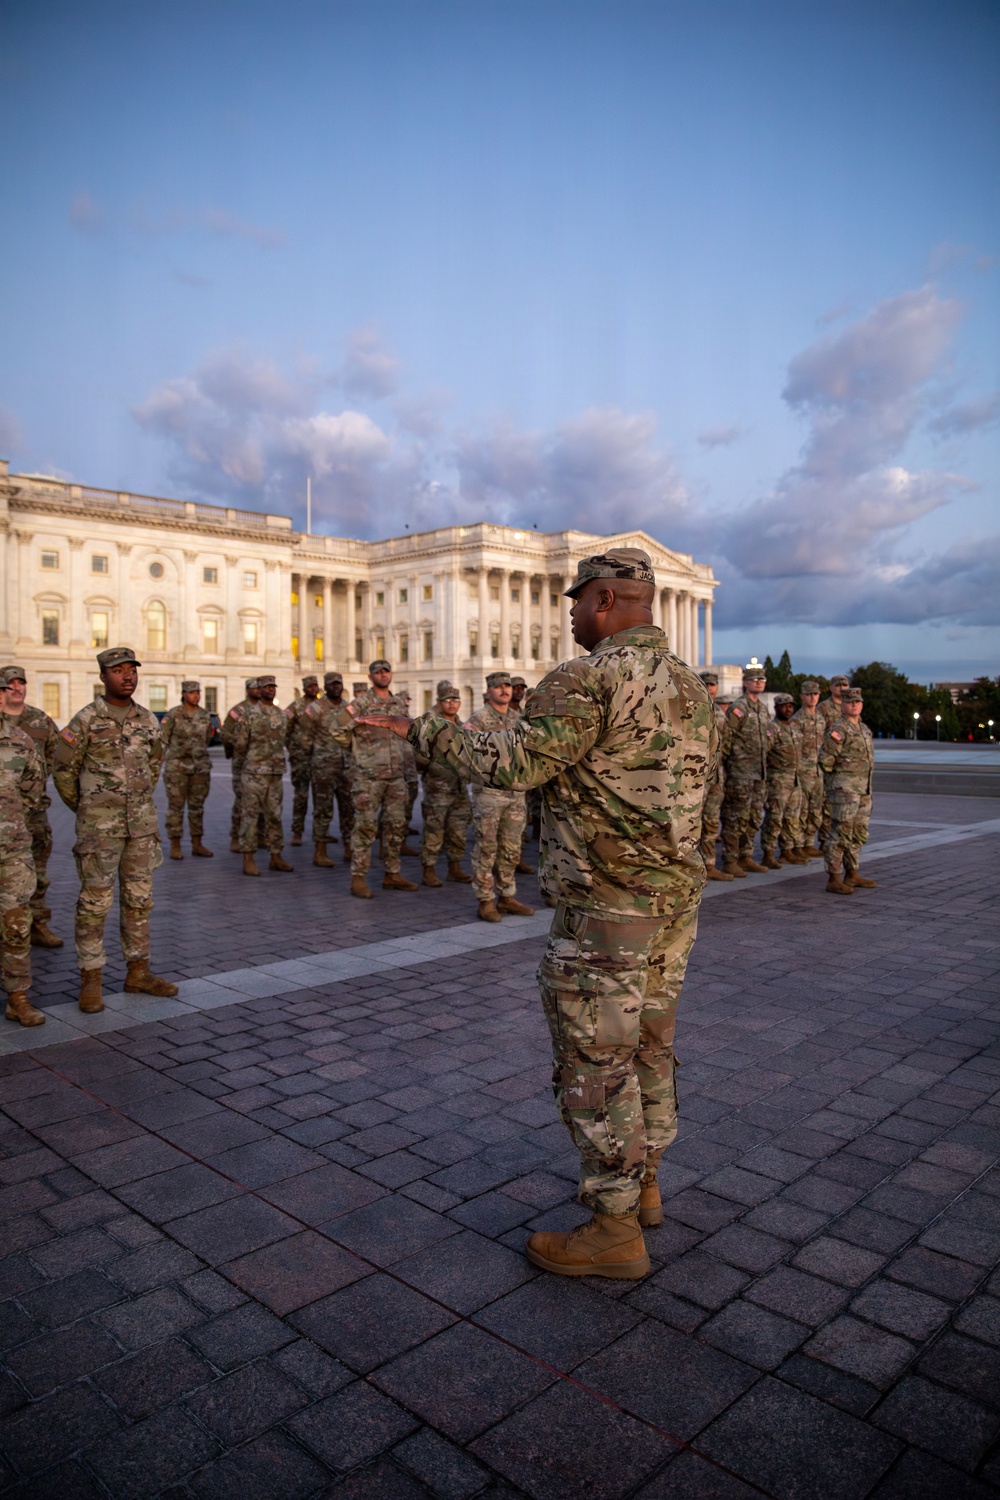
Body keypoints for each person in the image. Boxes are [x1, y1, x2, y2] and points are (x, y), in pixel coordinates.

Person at [369, 548, 716, 1279]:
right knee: (652, 1046)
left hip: (607, 906)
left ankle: (615, 1228)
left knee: (595, 1062)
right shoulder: (691, 685)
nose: (568, 615)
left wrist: (424, 732)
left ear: (601, 601)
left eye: (574, 602)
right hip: (673, 899)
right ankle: (646, 1180)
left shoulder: (586, 678)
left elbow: (514, 765)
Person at [52, 646, 178, 1013]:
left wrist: (133, 804)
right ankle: (90, 980)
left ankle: (138, 972)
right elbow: (63, 772)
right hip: (99, 832)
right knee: (94, 904)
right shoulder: (86, 720)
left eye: (132, 670)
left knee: (139, 902)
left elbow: (155, 764)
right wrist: (90, 808)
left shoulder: (147, 720)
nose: (128, 676)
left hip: (140, 828)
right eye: (118, 671)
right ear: (103, 676)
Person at [336, 660, 418, 899]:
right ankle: (358, 878)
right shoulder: (361, 704)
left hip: (395, 777)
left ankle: (392, 873)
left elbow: (407, 731)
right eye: (378, 672)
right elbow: (337, 729)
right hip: (368, 778)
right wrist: (361, 750)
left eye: (386, 671)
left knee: (395, 826)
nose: (383, 675)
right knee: (365, 827)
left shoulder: (398, 703)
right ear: (370, 677)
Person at [0, 665, 63, 946]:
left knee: (37, 874)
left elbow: (60, 759)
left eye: (21, 683)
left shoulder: (40, 721)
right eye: (10, 684)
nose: (17, 688)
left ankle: (37, 924)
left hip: (35, 814)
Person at [466, 671, 534, 922]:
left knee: (511, 848)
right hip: (490, 795)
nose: (504, 690)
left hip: (515, 794)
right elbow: (467, 752)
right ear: (488, 691)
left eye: (507, 686)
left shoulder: (519, 719)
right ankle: (485, 900)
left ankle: (506, 896)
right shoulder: (478, 720)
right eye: (498, 687)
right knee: (487, 848)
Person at [0, 702, 45, 1026]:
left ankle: (17, 998)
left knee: (16, 924)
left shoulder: (19, 739)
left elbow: (34, 787)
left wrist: (11, 822)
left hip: (12, 849)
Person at [232, 675, 294, 876]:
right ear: (259, 690)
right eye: (267, 687)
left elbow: (286, 739)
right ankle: (248, 858)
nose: (271, 690)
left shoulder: (281, 715)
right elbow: (240, 745)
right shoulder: (248, 714)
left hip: (275, 774)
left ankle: (276, 855)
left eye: (273, 687)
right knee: (250, 816)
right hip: (254, 773)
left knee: (275, 816)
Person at [819, 686, 877, 895]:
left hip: (863, 790)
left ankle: (852, 873)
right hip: (844, 792)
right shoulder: (838, 730)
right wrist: (836, 785)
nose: (854, 704)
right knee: (840, 834)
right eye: (850, 701)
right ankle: (834, 877)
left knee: (859, 833)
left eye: (858, 701)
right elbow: (825, 761)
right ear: (842, 705)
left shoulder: (864, 729)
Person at [415, 681, 472, 888]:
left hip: (459, 788)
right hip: (437, 788)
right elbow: (418, 756)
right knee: (434, 831)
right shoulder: (430, 725)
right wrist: (434, 765)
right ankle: (428, 870)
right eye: (447, 700)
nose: (451, 703)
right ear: (439, 703)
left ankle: (454, 868)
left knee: (458, 830)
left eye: (455, 699)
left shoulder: (462, 725)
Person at [720, 659, 769, 877]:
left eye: (761, 679)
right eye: (754, 679)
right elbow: (726, 739)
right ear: (745, 683)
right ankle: (730, 859)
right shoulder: (738, 708)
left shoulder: (762, 709)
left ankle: (746, 856)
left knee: (753, 818)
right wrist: (729, 766)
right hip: (740, 773)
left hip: (759, 773)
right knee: (735, 817)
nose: (758, 682)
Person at [304, 670, 354, 867]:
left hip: (346, 767)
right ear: (325, 686)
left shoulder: (349, 709)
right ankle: (320, 851)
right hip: (324, 767)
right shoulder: (315, 708)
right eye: (332, 684)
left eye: (338, 683)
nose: (336, 687)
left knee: (348, 808)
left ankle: (349, 846)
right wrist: (315, 759)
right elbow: (305, 738)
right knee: (323, 810)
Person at [161, 680, 214, 860]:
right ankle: (175, 845)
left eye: (198, 692)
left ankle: (197, 844)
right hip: (177, 769)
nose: (196, 695)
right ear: (184, 694)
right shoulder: (173, 715)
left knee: (197, 808)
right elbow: (163, 739)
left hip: (200, 769)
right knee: (176, 807)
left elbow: (207, 739)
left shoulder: (205, 715)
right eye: (192, 692)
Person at [761, 694, 806, 867]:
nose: (788, 709)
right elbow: (765, 753)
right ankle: (768, 853)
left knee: (792, 817)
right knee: (774, 818)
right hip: (778, 781)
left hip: (794, 780)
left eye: (790, 706)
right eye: (784, 706)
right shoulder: (772, 728)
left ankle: (787, 851)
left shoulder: (794, 728)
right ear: (776, 708)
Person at [698, 670, 731, 881]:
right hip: (697, 776)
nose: (710, 688)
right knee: (691, 823)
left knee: (711, 821)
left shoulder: (719, 713)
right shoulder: (691, 708)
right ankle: (692, 870)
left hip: (716, 775)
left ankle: (709, 864)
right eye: (706, 684)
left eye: (713, 684)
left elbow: (726, 743)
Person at [223, 677, 260, 853]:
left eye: (260, 688)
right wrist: (237, 748)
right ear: (247, 690)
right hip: (242, 763)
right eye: (254, 688)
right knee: (241, 801)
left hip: (261, 763)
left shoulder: (265, 709)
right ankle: (235, 837)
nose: (258, 691)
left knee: (262, 802)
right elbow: (226, 734)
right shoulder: (238, 710)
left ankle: (259, 836)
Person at [286, 674, 321, 846]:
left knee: (321, 798)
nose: (313, 688)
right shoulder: (296, 706)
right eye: (310, 686)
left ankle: (320, 831)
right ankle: (297, 832)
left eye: (315, 686)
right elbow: (285, 728)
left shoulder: (324, 706)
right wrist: (293, 748)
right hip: (300, 758)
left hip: (320, 759)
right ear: (304, 688)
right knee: (301, 796)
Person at [792, 681, 825, 859]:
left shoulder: (820, 718)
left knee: (816, 809)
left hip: (818, 771)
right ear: (802, 696)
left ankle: (809, 842)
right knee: (801, 810)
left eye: (815, 694)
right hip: (803, 771)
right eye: (809, 694)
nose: (812, 697)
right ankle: (797, 844)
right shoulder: (797, 720)